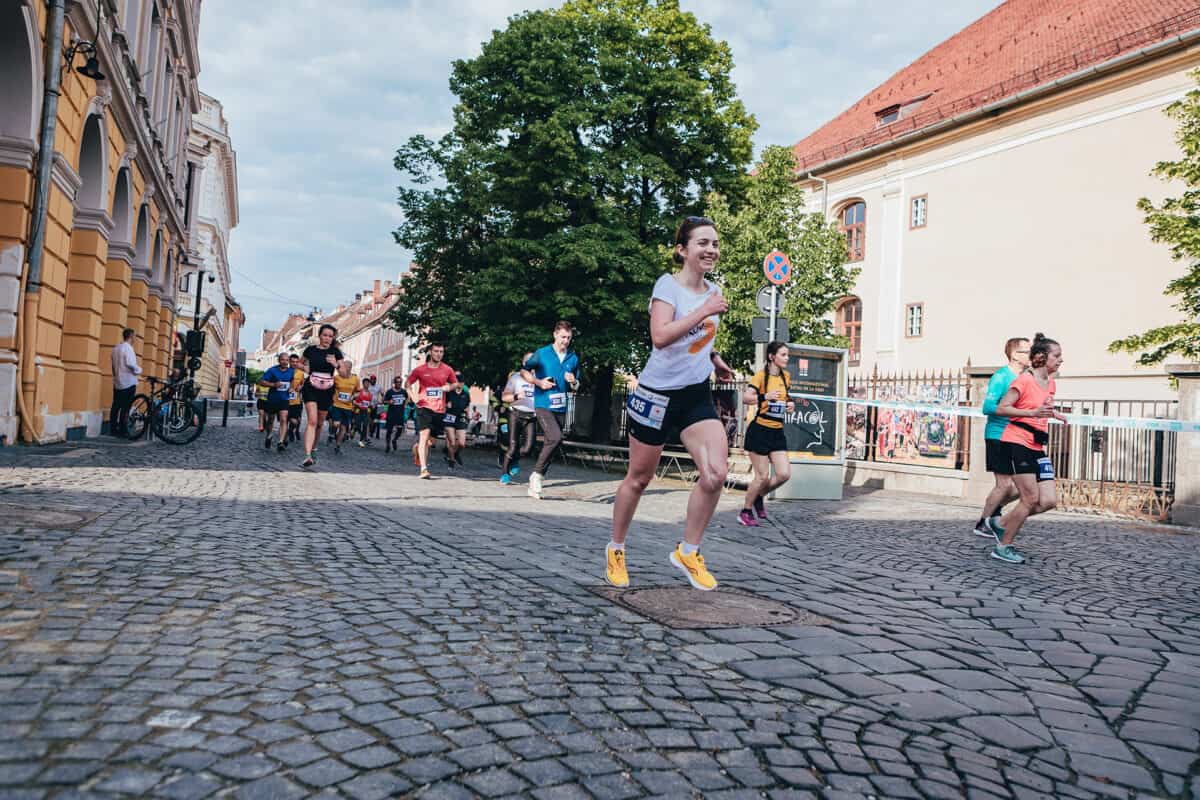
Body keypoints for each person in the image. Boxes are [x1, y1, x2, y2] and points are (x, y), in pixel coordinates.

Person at [607, 216, 734, 591]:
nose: (711, 249)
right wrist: (704, 311)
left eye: (714, 243)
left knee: (715, 473)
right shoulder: (668, 287)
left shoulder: (713, 290)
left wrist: (714, 359)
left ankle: (688, 551)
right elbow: (661, 336)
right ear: (683, 250)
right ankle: (616, 548)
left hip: (694, 395)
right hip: (655, 396)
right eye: (702, 243)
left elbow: (694, 340)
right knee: (640, 478)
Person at [991, 333, 1066, 564]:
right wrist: (1032, 414)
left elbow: (1040, 407)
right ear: (1042, 357)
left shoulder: (1051, 383)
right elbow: (1002, 408)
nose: (1061, 360)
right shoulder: (1024, 380)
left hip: (1036, 444)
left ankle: (1002, 523)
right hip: (1016, 442)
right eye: (1057, 355)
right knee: (1030, 497)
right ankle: (1003, 547)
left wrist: (1052, 413)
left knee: (1048, 501)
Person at [974, 337, 1031, 538]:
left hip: (1018, 437)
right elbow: (987, 408)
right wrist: (1019, 412)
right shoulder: (1001, 377)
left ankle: (993, 512)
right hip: (998, 435)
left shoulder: (1025, 377)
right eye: (1027, 351)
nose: (1031, 355)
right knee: (1004, 484)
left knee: (1028, 486)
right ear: (1015, 355)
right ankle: (983, 523)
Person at [739, 341, 796, 527]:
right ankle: (745, 511)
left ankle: (758, 496)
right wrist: (764, 397)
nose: (787, 358)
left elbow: (786, 399)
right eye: (783, 354)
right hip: (760, 431)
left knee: (784, 474)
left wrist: (790, 405)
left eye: (787, 354)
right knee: (762, 476)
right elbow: (746, 398)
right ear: (772, 356)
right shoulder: (760, 377)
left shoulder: (786, 377)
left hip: (777, 431)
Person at [523, 322, 580, 499]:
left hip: (561, 406)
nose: (566, 341)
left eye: (569, 338)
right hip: (543, 404)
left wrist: (573, 381)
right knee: (555, 437)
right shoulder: (542, 353)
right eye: (563, 337)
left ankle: (536, 479)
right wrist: (539, 383)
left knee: (554, 442)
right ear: (555, 335)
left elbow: (577, 384)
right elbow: (524, 371)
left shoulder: (573, 358)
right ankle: (537, 475)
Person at [406, 344, 458, 479]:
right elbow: (408, 383)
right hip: (423, 406)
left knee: (431, 442)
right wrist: (413, 395)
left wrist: (449, 387)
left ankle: (417, 448)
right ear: (430, 352)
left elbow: (455, 384)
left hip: (439, 409)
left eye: (441, 351)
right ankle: (424, 469)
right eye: (436, 351)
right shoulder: (420, 370)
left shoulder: (447, 369)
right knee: (424, 435)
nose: (439, 354)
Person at [299, 324, 344, 469]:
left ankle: (313, 449)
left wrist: (335, 364)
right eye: (325, 335)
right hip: (311, 386)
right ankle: (307, 456)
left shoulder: (336, 352)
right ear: (319, 336)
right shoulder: (310, 350)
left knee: (319, 423)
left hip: (327, 389)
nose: (327, 338)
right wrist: (308, 369)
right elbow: (300, 364)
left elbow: (344, 373)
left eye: (331, 336)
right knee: (312, 421)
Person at [499, 354, 537, 484]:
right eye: (528, 361)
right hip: (515, 414)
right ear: (523, 363)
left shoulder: (539, 379)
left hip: (531, 416)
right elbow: (504, 397)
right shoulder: (515, 378)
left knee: (528, 448)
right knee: (513, 445)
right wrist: (516, 396)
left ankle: (514, 460)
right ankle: (504, 473)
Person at [259, 352, 294, 453]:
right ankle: (269, 436)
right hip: (273, 399)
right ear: (279, 360)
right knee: (271, 420)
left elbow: (292, 381)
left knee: (283, 419)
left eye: (287, 360)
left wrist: (291, 388)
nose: (285, 362)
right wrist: (273, 384)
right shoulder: (272, 370)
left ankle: (280, 442)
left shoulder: (291, 371)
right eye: (283, 360)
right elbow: (262, 381)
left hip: (284, 399)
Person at [109, 328, 141, 437]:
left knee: (116, 406)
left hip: (117, 381)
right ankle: (123, 430)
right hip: (128, 382)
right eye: (134, 336)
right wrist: (138, 370)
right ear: (131, 336)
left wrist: (116, 376)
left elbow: (113, 366)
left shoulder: (116, 348)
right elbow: (130, 363)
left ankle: (113, 429)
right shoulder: (128, 348)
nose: (135, 339)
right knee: (126, 407)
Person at [330, 360, 361, 455]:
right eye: (342, 366)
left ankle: (337, 446)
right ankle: (333, 433)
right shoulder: (336, 378)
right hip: (337, 405)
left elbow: (358, 391)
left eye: (346, 367)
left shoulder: (355, 379)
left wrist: (353, 396)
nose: (343, 368)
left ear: (350, 368)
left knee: (343, 428)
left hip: (348, 407)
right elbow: (329, 387)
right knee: (336, 424)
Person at [443, 374, 470, 466]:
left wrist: (468, 415)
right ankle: (451, 459)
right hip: (449, 417)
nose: (461, 384)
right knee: (452, 441)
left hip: (460, 418)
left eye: (462, 382)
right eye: (459, 382)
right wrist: (446, 405)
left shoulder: (465, 394)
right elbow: (442, 404)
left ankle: (456, 453)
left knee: (462, 443)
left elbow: (467, 406)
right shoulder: (449, 393)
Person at [383, 376, 408, 453]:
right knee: (389, 430)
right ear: (394, 383)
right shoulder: (390, 392)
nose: (399, 384)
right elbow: (383, 401)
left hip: (400, 413)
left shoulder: (403, 391)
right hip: (391, 413)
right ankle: (388, 445)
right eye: (397, 382)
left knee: (400, 430)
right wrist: (389, 402)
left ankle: (394, 440)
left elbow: (407, 398)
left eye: (400, 382)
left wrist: (405, 405)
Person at [287, 353, 305, 443]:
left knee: (297, 420)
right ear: (289, 362)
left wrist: (301, 387)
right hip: (285, 400)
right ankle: (286, 433)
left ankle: (294, 430)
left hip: (296, 400)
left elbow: (303, 384)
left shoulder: (301, 373)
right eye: (292, 361)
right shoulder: (285, 371)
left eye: (296, 362)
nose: (294, 363)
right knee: (285, 419)